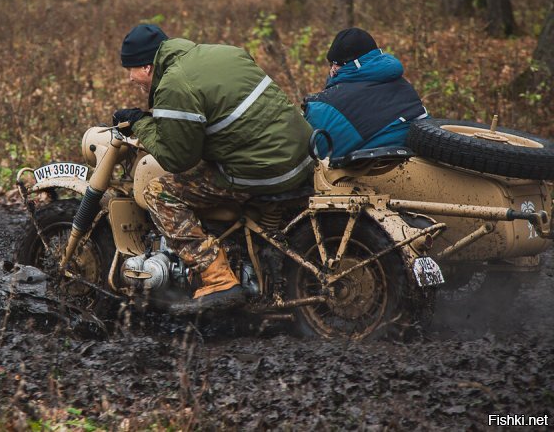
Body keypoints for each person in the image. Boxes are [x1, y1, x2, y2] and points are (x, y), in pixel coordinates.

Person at [113, 24, 313, 311]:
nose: (134, 81)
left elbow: (177, 159)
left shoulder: (174, 83)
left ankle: (217, 278)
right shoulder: (226, 53)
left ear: (147, 67)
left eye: (132, 74)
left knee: (160, 192)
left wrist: (140, 122)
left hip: (266, 169)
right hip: (301, 156)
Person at [303, 28, 427, 159]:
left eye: (332, 64)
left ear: (335, 66)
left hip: (372, 172)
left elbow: (318, 155)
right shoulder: (402, 84)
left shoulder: (327, 104)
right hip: (415, 164)